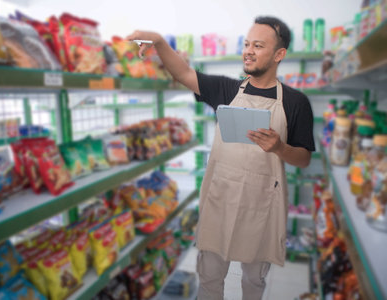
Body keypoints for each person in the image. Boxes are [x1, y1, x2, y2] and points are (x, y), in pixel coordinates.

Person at [127, 15, 315, 300]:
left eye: (259, 46)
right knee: (210, 279)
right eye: (247, 44)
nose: (248, 50)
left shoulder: (295, 102)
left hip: (261, 206)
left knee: (253, 282)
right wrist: (160, 42)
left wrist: (279, 148)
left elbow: (303, 159)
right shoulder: (226, 89)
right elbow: (183, 74)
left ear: (279, 55)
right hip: (221, 199)